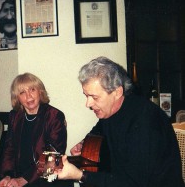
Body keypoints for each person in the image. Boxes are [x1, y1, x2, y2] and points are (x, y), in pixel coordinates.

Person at [55, 57, 184, 187]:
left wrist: (80, 175)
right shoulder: (112, 111)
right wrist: (84, 143)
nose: (88, 104)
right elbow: (100, 128)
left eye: (94, 97)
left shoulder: (145, 122)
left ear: (117, 92)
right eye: (86, 96)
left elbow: (133, 183)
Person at [0, 73, 71, 187]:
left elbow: (53, 155)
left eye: (32, 90)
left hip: (47, 177)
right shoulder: (15, 116)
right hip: (19, 176)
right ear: (17, 97)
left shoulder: (54, 116)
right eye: (22, 92)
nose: (28, 96)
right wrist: (7, 175)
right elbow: (9, 149)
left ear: (40, 92)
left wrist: (24, 179)